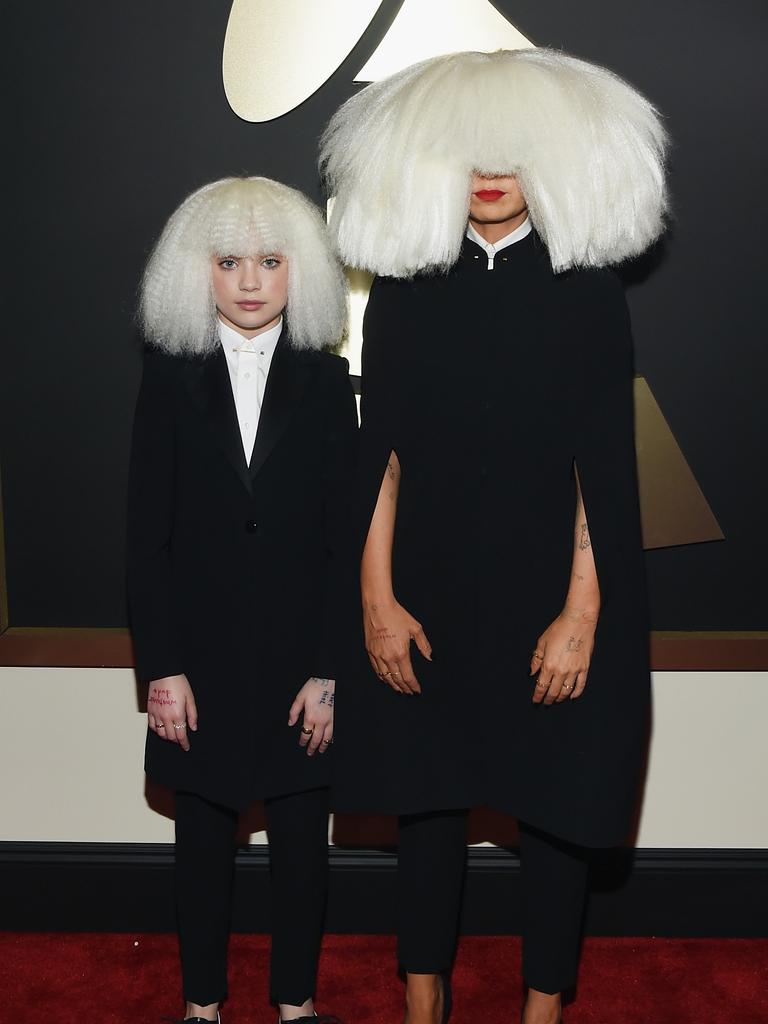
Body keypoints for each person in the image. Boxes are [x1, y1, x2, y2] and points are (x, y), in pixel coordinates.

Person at [320, 48, 668, 1024]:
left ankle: (542, 1012)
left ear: (550, 163)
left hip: (545, 595)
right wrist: (376, 601)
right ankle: (422, 1003)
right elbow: (378, 456)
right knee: (427, 804)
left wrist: (582, 613)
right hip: (427, 590)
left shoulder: (588, 292)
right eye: (470, 152)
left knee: (557, 813)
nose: (489, 173)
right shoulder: (404, 287)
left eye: (511, 154)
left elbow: (604, 470)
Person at [127, 176, 357, 1023]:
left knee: (304, 850)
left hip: (303, 669)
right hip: (201, 671)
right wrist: (164, 669)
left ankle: (296, 1006)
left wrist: (331, 671)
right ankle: (202, 1007)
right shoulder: (168, 379)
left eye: (270, 260)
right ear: (199, 272)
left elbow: (346, 544)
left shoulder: (331, 384)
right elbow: (146, 541)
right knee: (200, 847)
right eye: (230, 262)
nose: (251, 281)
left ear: (303, 273)